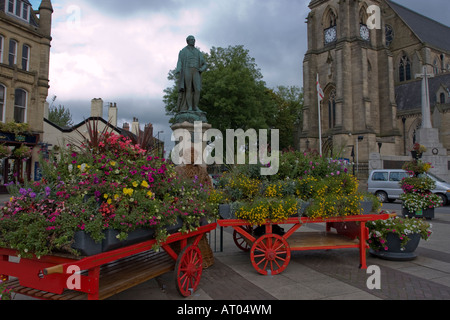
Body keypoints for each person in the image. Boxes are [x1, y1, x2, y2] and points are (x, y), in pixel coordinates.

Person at [175, 35, 207, 112]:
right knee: (188, 89)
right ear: (188, 41)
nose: (193, 41)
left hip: (196, 71)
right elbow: (179, 61)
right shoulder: (183, 51)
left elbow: (205, 64)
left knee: (197, 89)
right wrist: (178, 69)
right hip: (187, 70)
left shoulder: (198, 52)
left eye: (194, 40)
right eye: (191, 40)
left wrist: (201, 69)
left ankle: (195, 106)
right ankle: (189, 107)